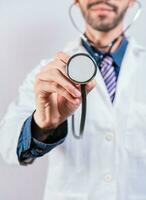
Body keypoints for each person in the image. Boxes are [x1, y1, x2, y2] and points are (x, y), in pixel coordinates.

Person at [0, 0, 146, 199]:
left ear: (131, 2)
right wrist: (43, 126)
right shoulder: (46, 73)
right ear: (76, 1)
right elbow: (7, 146)